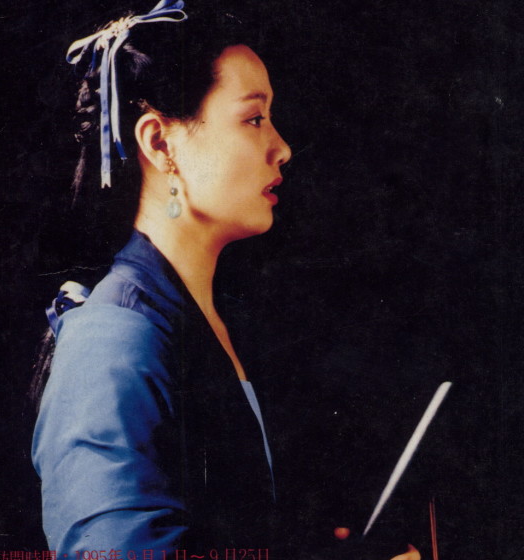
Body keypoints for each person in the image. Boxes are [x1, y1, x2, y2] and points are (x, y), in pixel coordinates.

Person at [31, 2, 420, 559]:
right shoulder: (115, 339)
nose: (282, 148)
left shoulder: (206, 316)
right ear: (160, 143)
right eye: (254, 118)